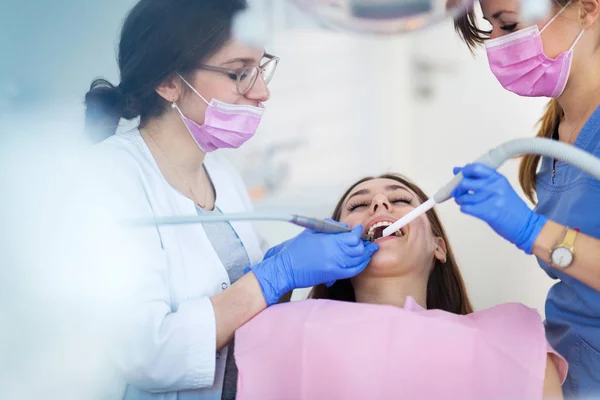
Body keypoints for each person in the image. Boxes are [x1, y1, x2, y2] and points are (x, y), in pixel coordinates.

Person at [83, 0, 378, 399]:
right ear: (169, 82)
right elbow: (149, 355)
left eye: (260, 68)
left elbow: (247, 312)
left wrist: (281, 269)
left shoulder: (222, 174)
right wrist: (276, 275)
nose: (262, 91)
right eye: (239, 73)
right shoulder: (109, 178)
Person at [233, 174, 567, 399]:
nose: (379, 205)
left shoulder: (513, 340)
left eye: (401, 200)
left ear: (438, 246)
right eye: (358, 205)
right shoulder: (281, 327)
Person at [453, 0, 600, 396]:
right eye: (492, 29)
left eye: (509, 24)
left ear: (586, 10)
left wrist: (532, 230)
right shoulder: (554, 140)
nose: (498, 45)